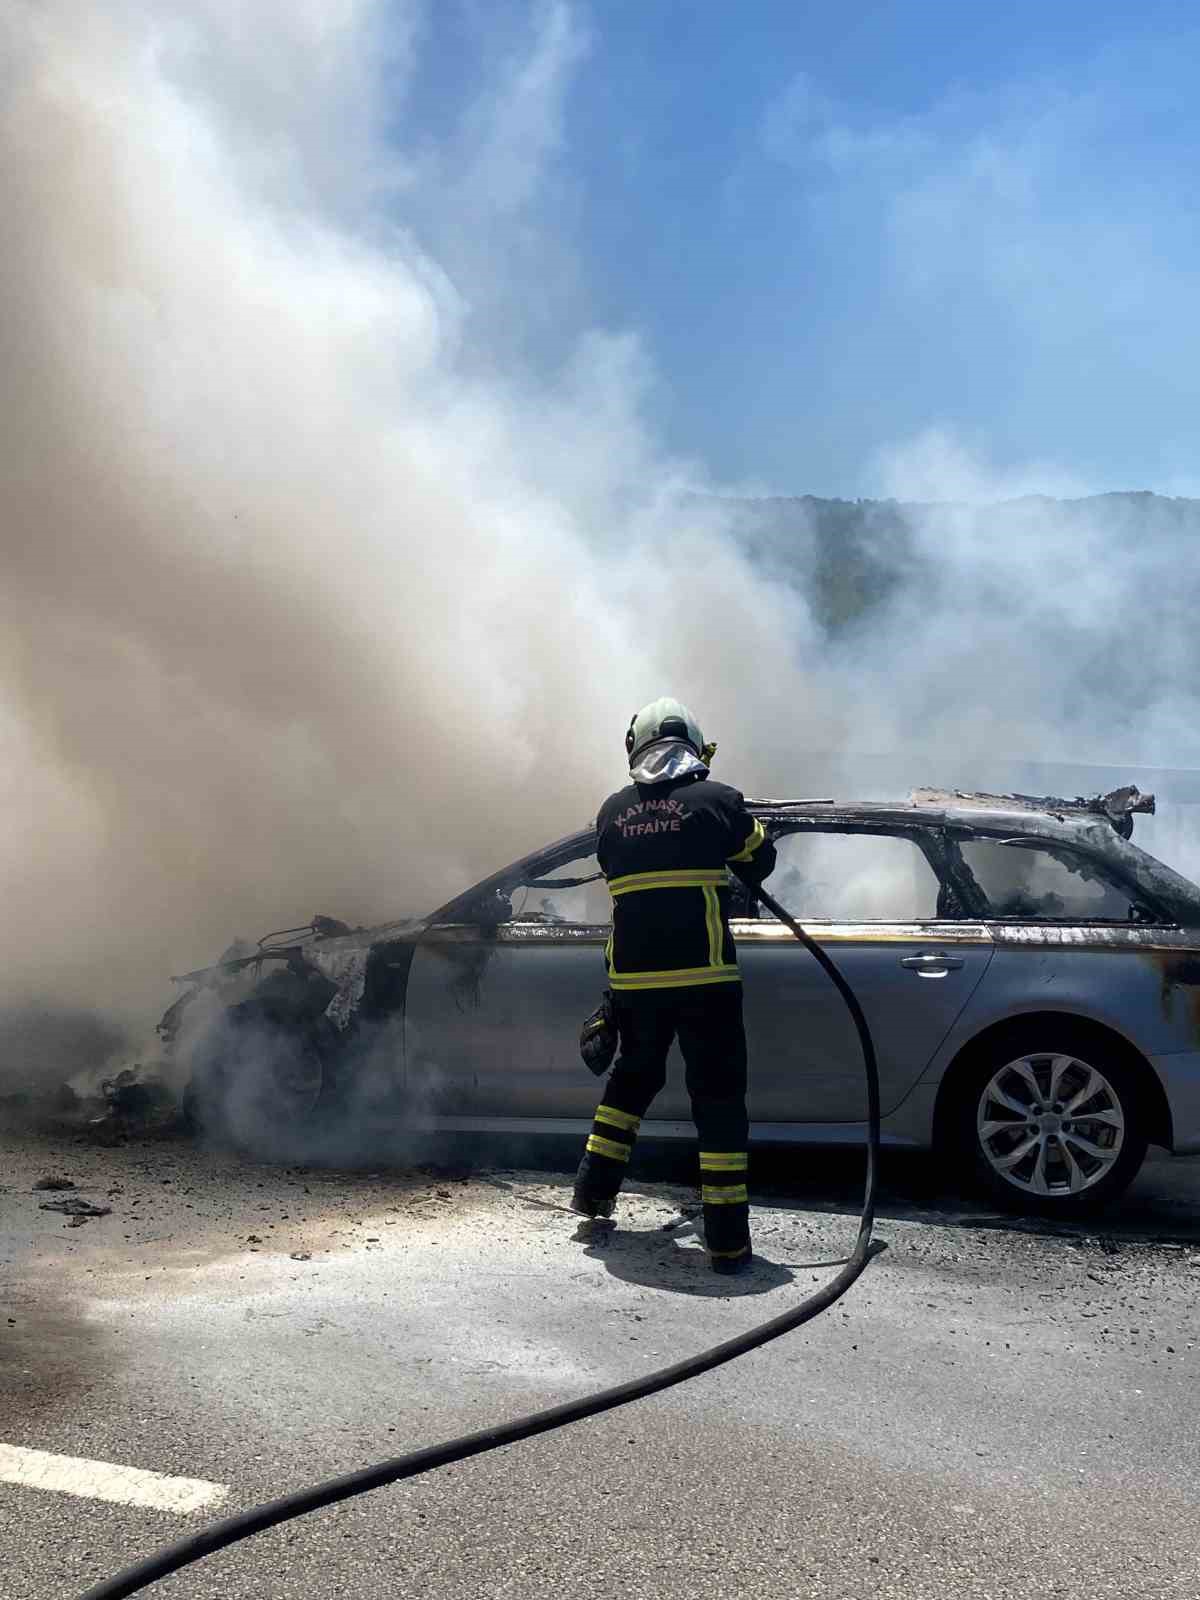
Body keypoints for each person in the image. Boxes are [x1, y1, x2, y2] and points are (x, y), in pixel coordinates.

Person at [572, 697, 776, 1275]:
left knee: (631, 1083)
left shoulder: (612, 812)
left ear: (634, 746)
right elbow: (761, 861)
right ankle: (728, 1244)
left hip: (634, 984)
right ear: (694, 744)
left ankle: (592, 1194)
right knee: (718, 1102)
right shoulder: (719, 800)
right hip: (706, 980)